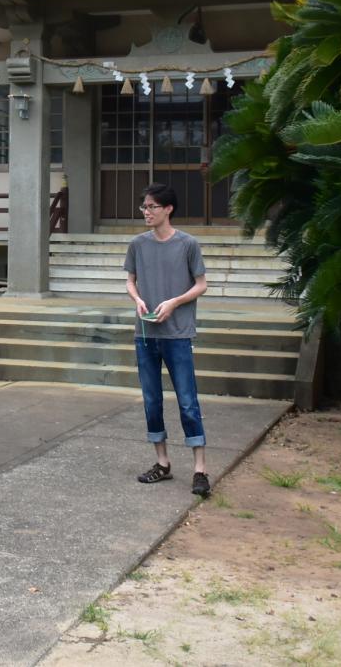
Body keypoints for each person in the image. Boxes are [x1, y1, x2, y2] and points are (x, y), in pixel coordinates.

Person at [124, 182, 212, 497]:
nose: (146, 212)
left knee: (188, 401)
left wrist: (174, 302)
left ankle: (200, 470)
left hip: (178, 333)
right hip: (146, 333)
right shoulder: (137, 244)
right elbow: (130, 280)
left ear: (168, 209)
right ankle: (162, 463)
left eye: (151, 207)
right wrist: (136, 300)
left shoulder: (188, 244)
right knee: (152, 400)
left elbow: (201, 284)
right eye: (144, 207)